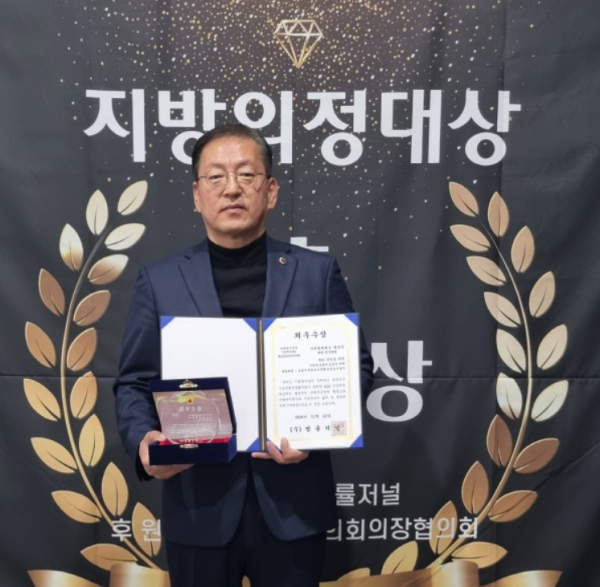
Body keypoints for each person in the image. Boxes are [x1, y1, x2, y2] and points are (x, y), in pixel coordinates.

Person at [114, 123, 374, 587]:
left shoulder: (317, 274)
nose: (232, 188)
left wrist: (315, 434)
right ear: (197, 195)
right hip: (198, 506)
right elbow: (134, 381)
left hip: (294, 508)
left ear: (270, 191)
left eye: (246, 175)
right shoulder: (160, 280)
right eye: (216, 177)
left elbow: (357, 367)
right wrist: (144, 443)